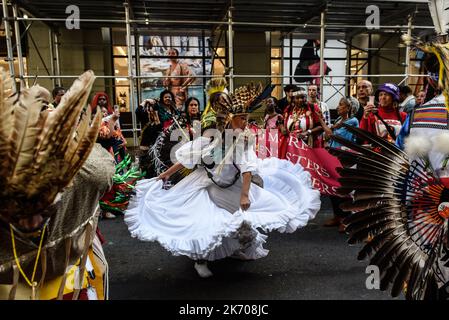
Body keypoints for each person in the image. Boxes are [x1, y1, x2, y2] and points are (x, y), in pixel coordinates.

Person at [125, 83, 320, 278]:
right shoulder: (210, 138)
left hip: (234, 187)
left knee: (245, 220)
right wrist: (164, 175)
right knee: (205, 223)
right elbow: (188, 159)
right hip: (207, 186)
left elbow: (247, 168)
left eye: (246, 118)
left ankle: (236, 249)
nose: (245, 122)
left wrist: (244, 194)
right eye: (241, 118)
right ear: (229, 119)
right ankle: (200, 260)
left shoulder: (243, 141)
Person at [0, 70, 115, 300]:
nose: (33, 223)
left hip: (72, 276)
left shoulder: (85, 173)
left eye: (43, 210)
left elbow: (103, 173)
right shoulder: (88, 171)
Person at [317, 97, 359, 231]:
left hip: (345, 158)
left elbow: (331, 135)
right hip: (334, 156)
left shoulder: (352, 121)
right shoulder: (339, 120)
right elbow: (330, 134)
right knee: (332, 187)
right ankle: (337, 216)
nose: (338, 107)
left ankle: (346, 219)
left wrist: (321, 120)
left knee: (344, 189)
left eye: (341, 105)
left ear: (349, 108)